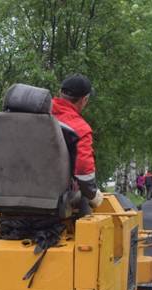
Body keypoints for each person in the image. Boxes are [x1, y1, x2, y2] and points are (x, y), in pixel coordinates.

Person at [51, 74, 103, 209]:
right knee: (85, 198)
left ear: (60, 93)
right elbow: (84, 173)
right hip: (55, 200)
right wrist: (93, 195)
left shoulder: (35, 115)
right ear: (84, 100)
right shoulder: (80, 129)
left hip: (10, 194)